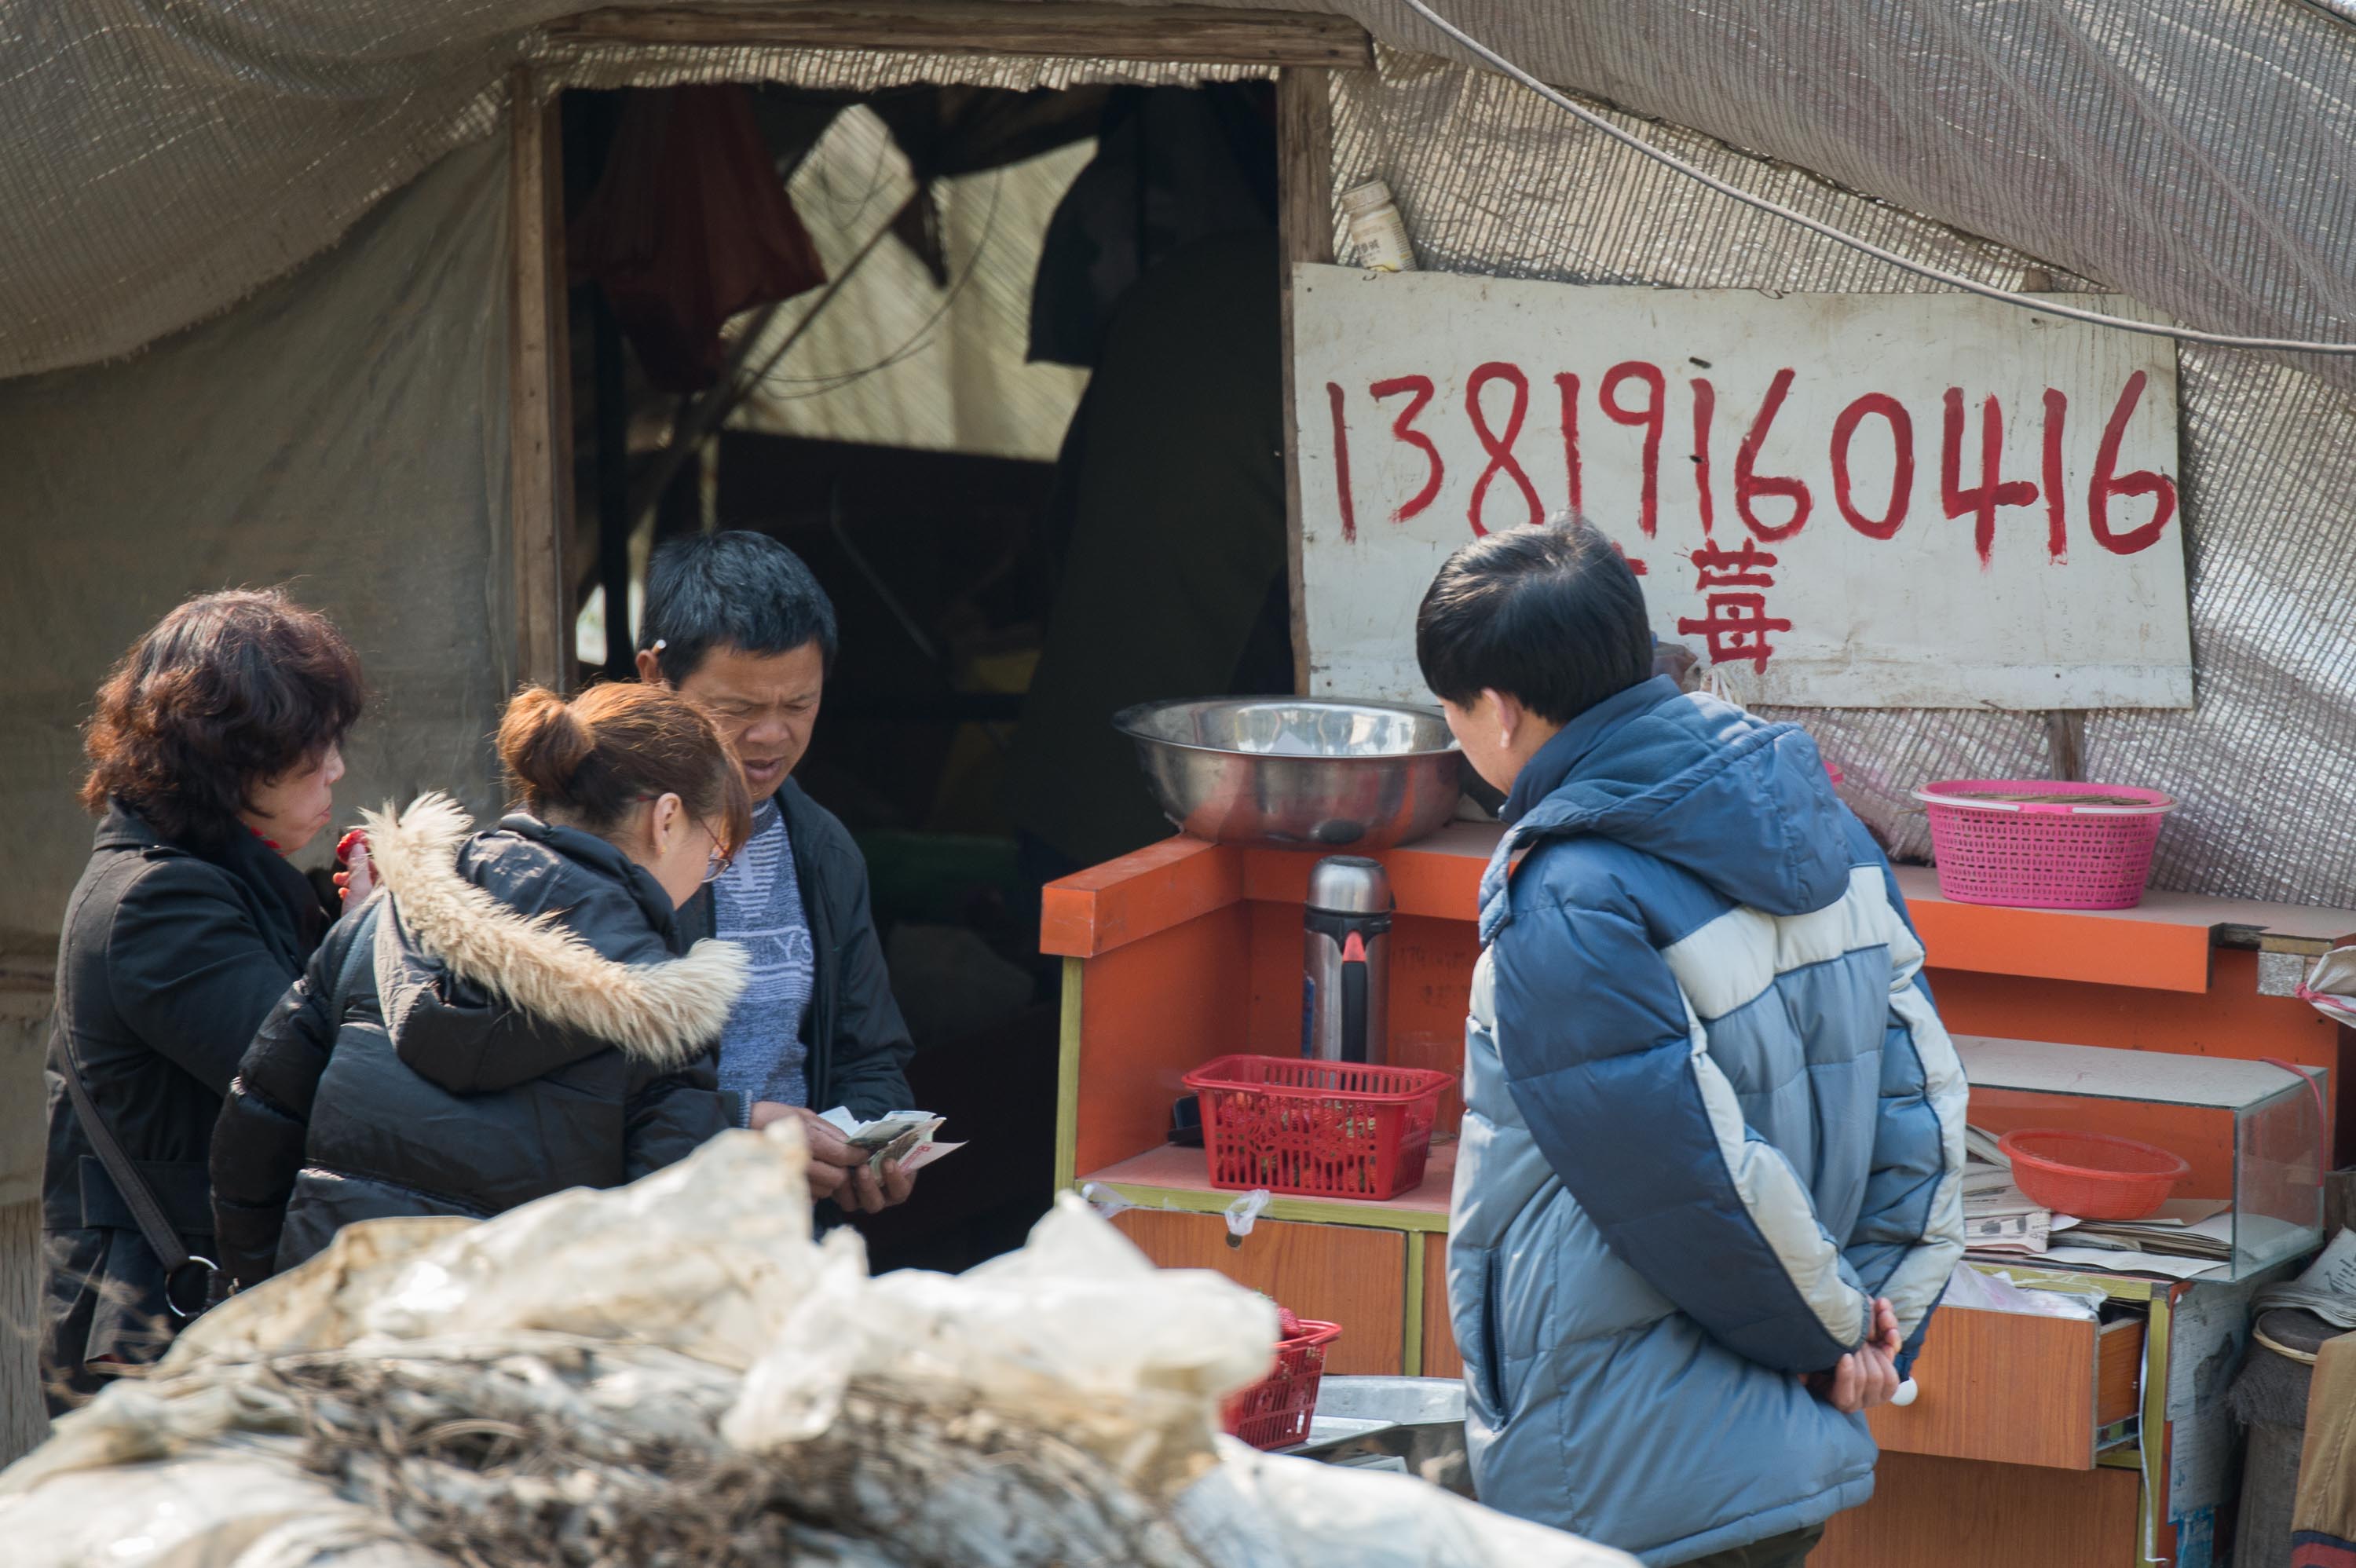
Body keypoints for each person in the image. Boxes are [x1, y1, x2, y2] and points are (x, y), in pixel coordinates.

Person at [1418, 521, 1967, 1567]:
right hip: (1776, 1446)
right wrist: (1871, 1334)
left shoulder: (1570, 895)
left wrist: (1841, 1336)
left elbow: (1692, 1182)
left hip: (1628, 1464)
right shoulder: (1832, 833)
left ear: (1496, 712)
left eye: (1451, 713)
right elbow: (1927, 1109)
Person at [209, 683, 749, 1287]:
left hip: (328, 1347)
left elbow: (251, 1134)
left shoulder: (377, 923)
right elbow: (677, 1251)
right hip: (509, 1365)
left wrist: (271, 1301)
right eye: (716, 850)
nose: (706, 876)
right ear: (668, 818)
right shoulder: (662, 1011)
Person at [39, 590, 364, 1407]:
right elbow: (315, 1079)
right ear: (229, 757)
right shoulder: (157, 903)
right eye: (309, 749)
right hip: (162, 1340)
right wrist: (366, 936)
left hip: (199, 1329)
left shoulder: (211, 877)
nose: (336, 769)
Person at [635, 531, 918, 1216]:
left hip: (781, 1237)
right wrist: (733, 1121)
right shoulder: (592, 846)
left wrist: (869, 1142)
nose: (772, 736)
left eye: (799, 705)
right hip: (633, 1236)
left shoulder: (823, 849)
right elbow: (563, 1082)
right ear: (654, 677)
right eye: (738, 709)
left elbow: (870, 1055)